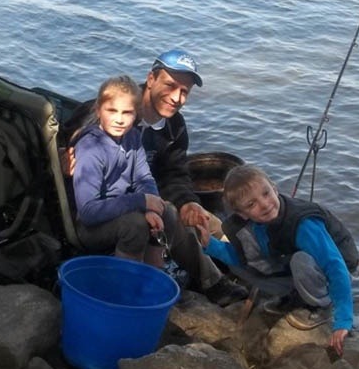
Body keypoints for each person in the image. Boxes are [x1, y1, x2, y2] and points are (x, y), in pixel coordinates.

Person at [62, 49, 248, 306]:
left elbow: (173, 174)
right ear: (151, 79)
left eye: (184, 92)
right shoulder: (116, 109)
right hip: (100, 208)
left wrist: (188, 202)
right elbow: (70, 138)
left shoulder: (173, 127)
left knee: (207, 220)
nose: (176, 97)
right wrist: (62, 154)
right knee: (160, 217)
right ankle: (142, 291)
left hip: (144, 198)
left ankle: (231, 272)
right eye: (170, 85)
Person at [219, 164, 359, 356]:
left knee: (300, 261)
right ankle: (295, 295)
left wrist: (343, 320)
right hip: (291, 259)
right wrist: (208, 244)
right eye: (251, 204)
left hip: (337, 263)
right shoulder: (255, 225)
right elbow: (241, 258)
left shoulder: (304, 225)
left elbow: (336, 266)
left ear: (275, 188)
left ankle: (321, 304)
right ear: (243, 214)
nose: (264, 204)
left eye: (266, 193)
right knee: (238, 265)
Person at [71, 74, 187, 268]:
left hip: (123, 209)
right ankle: (127, 278)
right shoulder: (92, 148)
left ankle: (154, 270)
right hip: (90, 226)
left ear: (137, 115)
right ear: (98, 110)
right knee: (135, 225)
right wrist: (140, 202)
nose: (119, 119)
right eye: (112, 111)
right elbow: (89, 212)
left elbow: (144, 178)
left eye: (127, 113)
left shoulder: (133, 137)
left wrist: (152, 207)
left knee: (168, 212)